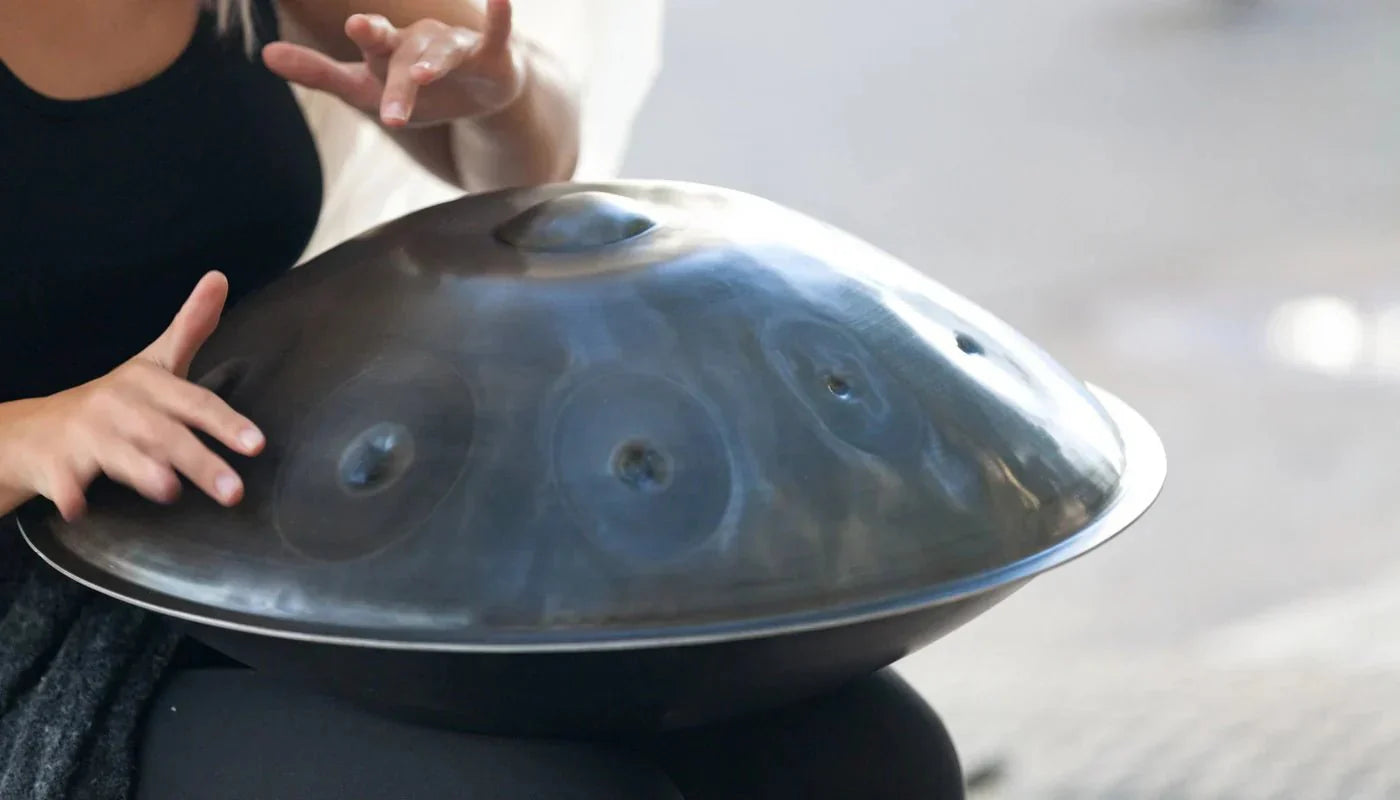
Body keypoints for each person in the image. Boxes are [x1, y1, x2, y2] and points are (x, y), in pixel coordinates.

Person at [0, 1, 965, 797]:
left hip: (227, 541)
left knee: (870, 753)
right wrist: (37, 432)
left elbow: (520, 174)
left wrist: (500, 98)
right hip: (30, 613)